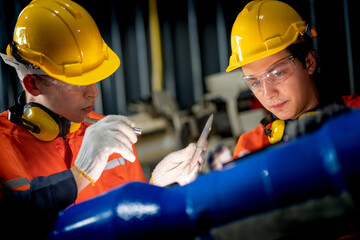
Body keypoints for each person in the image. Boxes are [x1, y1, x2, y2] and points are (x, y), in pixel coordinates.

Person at [0, 0, 204, 238]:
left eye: (94, 78)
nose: (93, 92)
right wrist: (81, 174)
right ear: (32, 84)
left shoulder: (107, 133)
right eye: (77, 84)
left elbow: (140, 223)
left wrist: (157, 188)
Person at [223, 0, 360, 160]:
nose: (268, 94)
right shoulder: (249, 147)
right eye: (255, 82)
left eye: (277, 73)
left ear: (309, 62)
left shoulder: (356, 116)